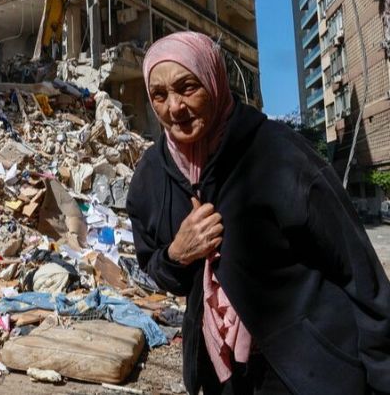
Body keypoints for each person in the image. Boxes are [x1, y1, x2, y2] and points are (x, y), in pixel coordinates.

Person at [125, 31, 390, 395]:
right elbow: (155, 267)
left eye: (187, 87)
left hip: (308, 369)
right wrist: (178, 254)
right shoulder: (151, 177)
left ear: (214, 81)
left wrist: (382, 376)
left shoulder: (280, 154)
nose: (174, 107)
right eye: (159, 95)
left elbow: (358, 271)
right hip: (221, 372)